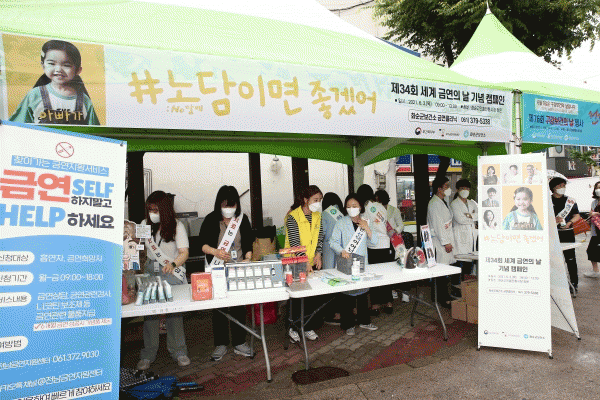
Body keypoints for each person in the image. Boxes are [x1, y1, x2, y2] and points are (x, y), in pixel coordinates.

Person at [200, 185, 254, 361]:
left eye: (232, 205)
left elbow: (248, 242)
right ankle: (221, 343)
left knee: (239, 306)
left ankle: (240, 342)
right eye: (225, 205)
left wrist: (248, 258)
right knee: (219, 308)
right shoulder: (211, 219)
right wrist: (215, 252)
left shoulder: (242, 219)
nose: (229, 208)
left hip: (237, 268)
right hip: (217, 269)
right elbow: (202, 244)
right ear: (219, 204)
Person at [137, 191, 190, 370]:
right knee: (150, 314)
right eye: (150, 209)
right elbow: (139, 247)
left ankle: (179, 351)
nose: (152, 213)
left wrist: (173, 264)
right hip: (151, 271)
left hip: (171, 272)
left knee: (174, 313)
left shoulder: (177, 226)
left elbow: (184, 252)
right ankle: (148, 354)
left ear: (164, 209)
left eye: (156, 210)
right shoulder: (144, 224)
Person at [10, 40, 100, 125]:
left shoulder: (85, 101)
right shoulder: (34, 95)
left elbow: (95, 132)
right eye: (52, 64)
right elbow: (17, 126)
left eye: (66, 65)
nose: (58, 69)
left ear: (78, 70)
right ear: (43, 65)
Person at [329, 193, 380, 335]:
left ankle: (365, 321)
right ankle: (348, 324)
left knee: (363, 293)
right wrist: (341, 251)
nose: (351, 208)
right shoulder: (341, 222)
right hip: (346, 262)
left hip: (362, 262)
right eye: (348, 206)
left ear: (360, 207)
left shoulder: (366, 221)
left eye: (354, 206)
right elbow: (333, 242)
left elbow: (374, 242)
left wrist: (367, 228)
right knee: (347, 294)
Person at [285, 185, 324, 342]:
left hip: (310, 261)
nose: (318, 203)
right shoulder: (293, 217)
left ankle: (307, 326)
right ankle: (292, 328)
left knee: (310, 296)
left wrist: (319, 255)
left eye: (320, 200)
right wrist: (305, 262)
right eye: (315, 200)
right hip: (294, 262)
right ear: (306, 199)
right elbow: (295, 243)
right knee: (296, 295)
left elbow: (319, 237)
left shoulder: (317, 216)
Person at [357, 184, 394, 315]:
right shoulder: (380, 206)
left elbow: (363, 226)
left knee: (374, 276)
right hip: (385, 244)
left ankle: (376, 305)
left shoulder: (365, 208)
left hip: (373, 245)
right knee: (386, 274)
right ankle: (388, 302)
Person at [549, 177, 582, 291]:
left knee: (570, 259)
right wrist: (553, 220)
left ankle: (574, 284)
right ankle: (556, 284)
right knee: (554, 259)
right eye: (560, 185)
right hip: (553, 233)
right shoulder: (547, 201)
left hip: (567, 233)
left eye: (564, 185)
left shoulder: (570, 201)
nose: (562, 188)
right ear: (553, 187)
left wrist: (570, 222)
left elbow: (577, 215)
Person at [321, 192, 345, 325]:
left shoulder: (325, 214)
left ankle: (334, 314)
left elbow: (322, 233)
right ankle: (344, 311)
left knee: (330, 281)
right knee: (342, 280)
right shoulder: (342, 213)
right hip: (342, 251)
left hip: (329, 251)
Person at [450, 180, 478, 277]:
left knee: (469, 269)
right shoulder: (454, 204)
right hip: (460, 240)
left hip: (472, 238)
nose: (465, 190)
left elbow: (479, 215)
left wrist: (470, 215)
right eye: (462, 188)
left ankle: (467, 284)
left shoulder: (472, 203)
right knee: (460, 267)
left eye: (467, 188)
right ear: (457, 190)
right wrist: (473, 217)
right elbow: (460, 219)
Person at [427, 177, 455, 265]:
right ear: (439, 189)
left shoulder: (443, 201)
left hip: (446, 239)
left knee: (448, 266)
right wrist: (446, 242)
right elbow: (438, 225)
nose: (449, 189)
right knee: (442, 267)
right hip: (439, 242)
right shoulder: (434, 203)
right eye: (446, 186)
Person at [585, 181, 600, 279]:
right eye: (597, 188)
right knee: (591, 250)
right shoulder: (594, 202)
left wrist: (597, 214)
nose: (599, 190)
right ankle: (595, 271)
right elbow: (592, 213)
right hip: (596, 231)